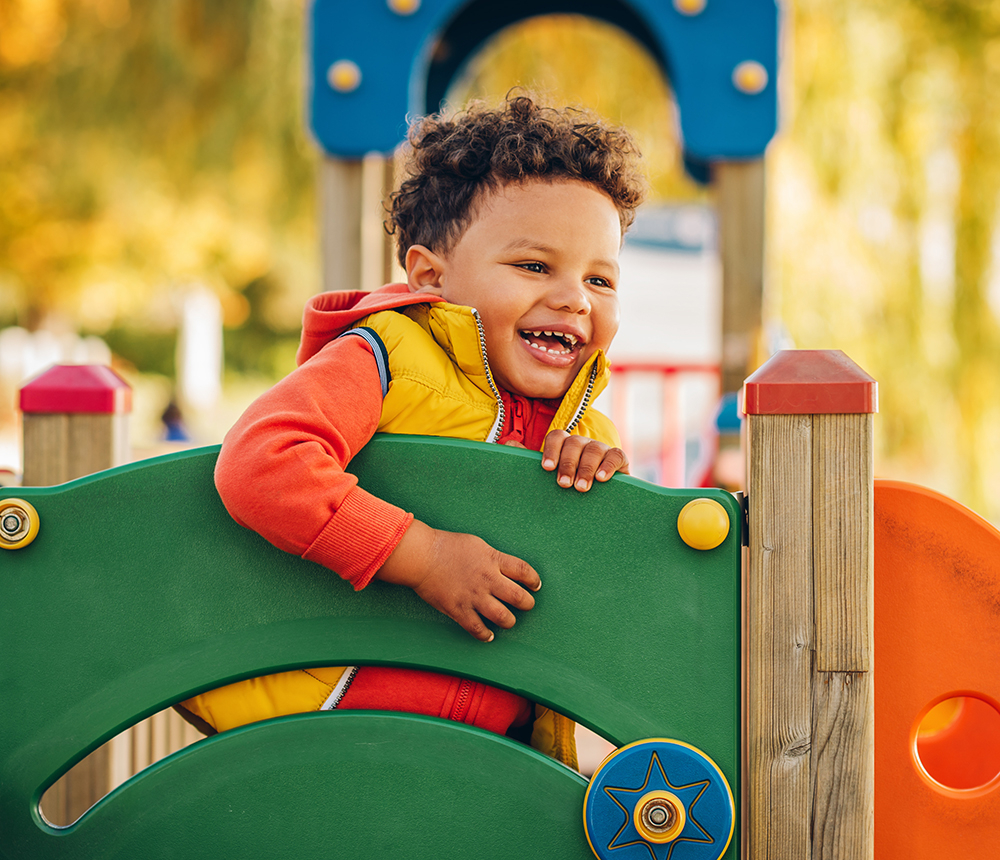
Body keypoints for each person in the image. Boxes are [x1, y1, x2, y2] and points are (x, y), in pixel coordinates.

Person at [180, 95, 646, 768]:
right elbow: (262, 460)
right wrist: (425, 557)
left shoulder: (585, 426)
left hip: (490, 763)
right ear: (431, 275)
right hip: (326, 727)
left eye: (600, 279)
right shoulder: (388, 356)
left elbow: (607, 599)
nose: (576, 298)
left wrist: (608, 503)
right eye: (535, 266)